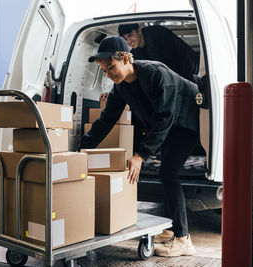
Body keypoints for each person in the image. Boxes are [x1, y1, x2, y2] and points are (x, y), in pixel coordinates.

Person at [80, 36, 199, 257]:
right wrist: (80, 149)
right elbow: (106, 120)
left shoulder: (156, 74)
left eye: (111, 67)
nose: (108, 74)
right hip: (169, 126)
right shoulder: (121, 87)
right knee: (166, 174)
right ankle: (174, 228)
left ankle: (183, 239)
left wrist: (141, 155)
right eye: (104, 71)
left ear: (125, 58)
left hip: (187, 122)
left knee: (168, 172)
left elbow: (166, 117)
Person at [118, 23, 199, 82]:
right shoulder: (134, 54)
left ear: (139, 30)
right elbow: (131, 74)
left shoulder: (158, 34)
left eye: (130, 35)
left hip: (194, 72)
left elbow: (173, 64)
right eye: (125, 39)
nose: (128, 41)